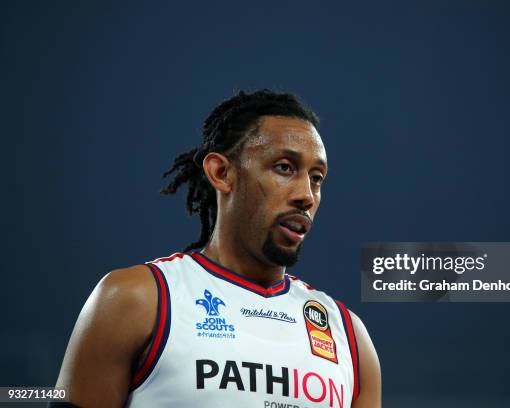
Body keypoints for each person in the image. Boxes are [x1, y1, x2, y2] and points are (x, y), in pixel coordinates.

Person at [54, 89, 381, 407]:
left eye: (317, 177)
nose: (306, 195)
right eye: (284, 168)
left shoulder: (348, 336)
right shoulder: (133, 300)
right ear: (221, 172)